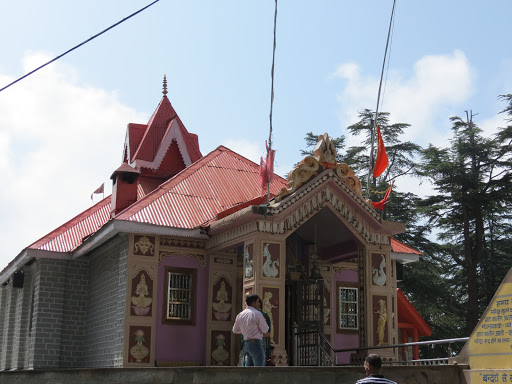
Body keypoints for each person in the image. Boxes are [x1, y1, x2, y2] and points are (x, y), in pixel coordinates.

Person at [232, 294, 269, 366]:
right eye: (258, 302)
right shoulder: (257, 314)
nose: (259, 304)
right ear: (253, 302)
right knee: (259, 367)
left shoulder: (240, 314)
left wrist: (245, 331)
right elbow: (265, 330)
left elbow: (235, 330)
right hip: (256, 343)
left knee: (248, 369)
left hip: (246, 343)